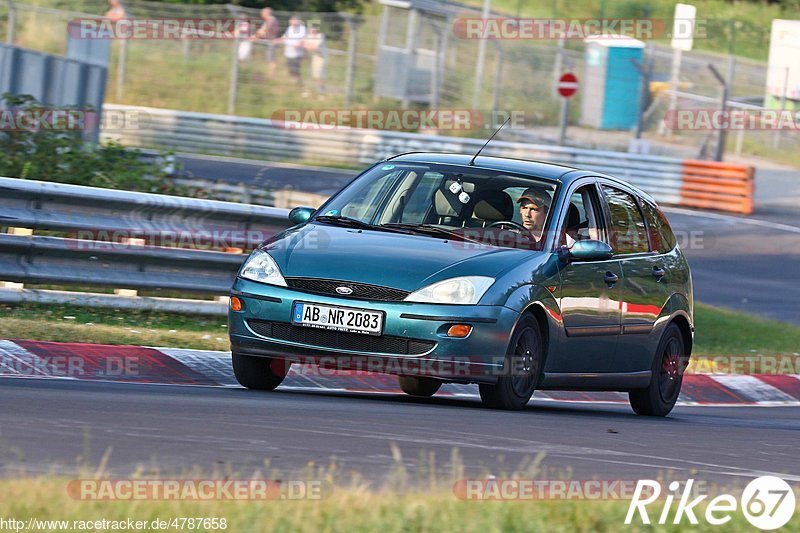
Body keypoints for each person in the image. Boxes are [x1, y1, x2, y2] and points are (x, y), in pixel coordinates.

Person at [280, 15, 307, 88]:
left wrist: (299, 43)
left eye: (294, 21)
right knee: (290, 70)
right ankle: (292, 85)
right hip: (288, 53)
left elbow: (303, 39)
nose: (293, 23)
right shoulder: (289, 28)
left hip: (297, 54)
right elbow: (284, 37)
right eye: (291, 22)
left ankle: (299, 85)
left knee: (296, 70)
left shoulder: (302, 28)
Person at [255, 7, 281, 75]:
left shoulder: (271, 20)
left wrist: (258, 34)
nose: (261, 14)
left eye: (262, 13)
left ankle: (272, 74)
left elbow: (264, 31)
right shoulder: (269, 20)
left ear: (267, 13)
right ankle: (270, 73)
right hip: (269, 42)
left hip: (271, 42)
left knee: (271, 59)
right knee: (270, 58)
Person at [304, 25, 328, 96]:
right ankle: (318, 89)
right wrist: (310, 46)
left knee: (320, 74)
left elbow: (314, 47)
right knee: (314, 74)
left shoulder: (320, 36)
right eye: (311, 29)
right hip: (315, 56)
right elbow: (306, 46)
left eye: (314, 29)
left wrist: (310, 46)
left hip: (322, 57)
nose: (313, 31)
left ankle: (321, 91)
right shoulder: (309, 36)